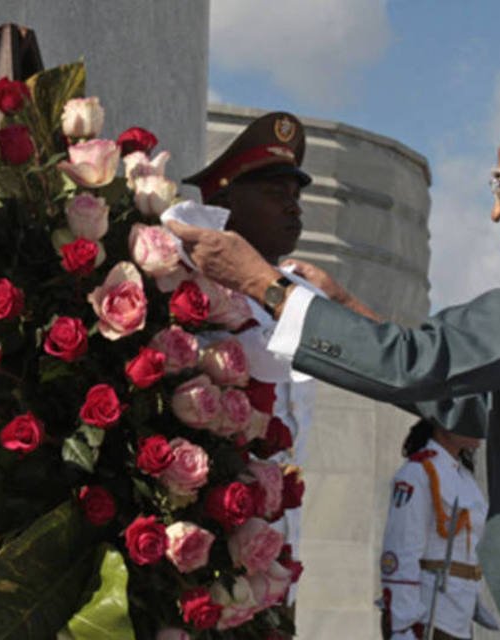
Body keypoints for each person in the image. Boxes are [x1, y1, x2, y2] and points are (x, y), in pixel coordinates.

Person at [168, 105, 500, 639]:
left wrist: (267, 285)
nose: (495, 212)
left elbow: (430, 362)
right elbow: (473, 405)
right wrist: (348, 308)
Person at [169, 111, 315, 576]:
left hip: (274, 542)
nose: (294, 208)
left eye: (296, 196)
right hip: (201, 548)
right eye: (277, 194)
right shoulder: (194, 290)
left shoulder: (303, 293)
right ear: (226, 201)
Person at [379, 419, 488, 640]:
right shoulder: (418, 472)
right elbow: (401, 552)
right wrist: (403, 626)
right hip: (429, 615)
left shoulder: (463, 476)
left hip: (459, 614)